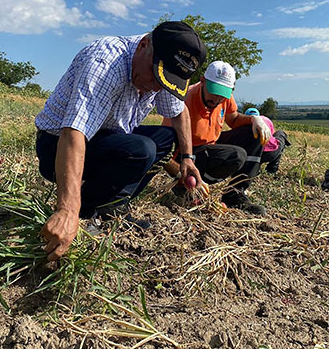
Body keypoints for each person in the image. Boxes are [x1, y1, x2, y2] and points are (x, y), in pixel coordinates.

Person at [35, 21, 206, 261]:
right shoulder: (105, 63)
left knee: (166, 139)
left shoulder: (164, 70)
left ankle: (111, 206)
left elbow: (179, 112)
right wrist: (67, 210)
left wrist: (187, 158)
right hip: (56, 147)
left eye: (164, 82)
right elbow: (73, 133)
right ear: (144, 45)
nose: (155, 87)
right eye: (155, 77)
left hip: (107, 137)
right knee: (142, 149)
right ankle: (83, 214)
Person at [162, 61, 271, 215]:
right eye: (214, 91)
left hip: (210, 146)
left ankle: (235, 195)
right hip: (186, 156)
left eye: (223, 94)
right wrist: (180, 174)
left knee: (253, 134)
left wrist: (254, 120)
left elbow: (233, 119)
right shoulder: (184, 100)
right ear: (202, 81)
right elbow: (164, 148)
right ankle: (187, 188)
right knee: (236, 156)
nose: (217, 99)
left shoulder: (223, 98)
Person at [244, 108, 290, 174]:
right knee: (280, 134)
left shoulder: (241, 123)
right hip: (269, 154)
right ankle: (272, 168)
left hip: (249, 154)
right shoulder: (265, 120)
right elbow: (271, 135)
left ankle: (256, 168)